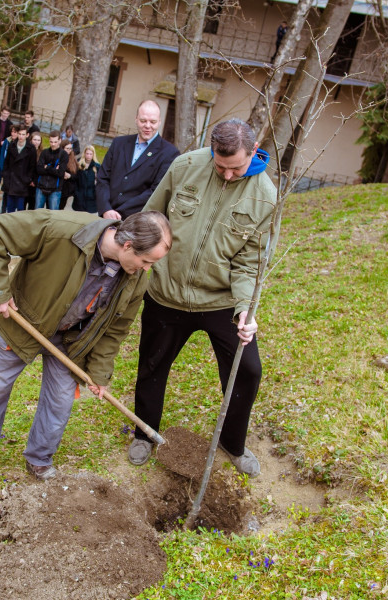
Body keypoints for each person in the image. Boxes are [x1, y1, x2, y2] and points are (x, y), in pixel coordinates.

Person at [0, 209, 173, 486]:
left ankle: (39, 458)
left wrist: (99, 372)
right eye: (146, 261)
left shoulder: (135, 280)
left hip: (70, 341)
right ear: (128, 245)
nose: (146, 269)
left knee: (59, 402)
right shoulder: (61, 230)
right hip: (19, 324)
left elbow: (115, 330)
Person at [128, 118, 276, 477]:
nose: (227, 175)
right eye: (220, 166)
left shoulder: (264, 196)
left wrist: (244, 309)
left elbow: (249, 263)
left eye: (236, 168)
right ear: (211, 152)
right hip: (166, 293)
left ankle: (232, 443)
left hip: (220, 301)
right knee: (152, 365)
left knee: (247, 370)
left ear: (253, 152)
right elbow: (152, 216)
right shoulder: (185, 166)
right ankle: (145, 432)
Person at [95, 100, 179, 220]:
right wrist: (106, 209)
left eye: (153, 122)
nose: (147, 126)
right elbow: (102, 178)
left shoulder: (169, 153)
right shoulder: (118, 143)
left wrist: (119, 213)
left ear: (159, 122)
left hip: (137, 221)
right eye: (143, 121)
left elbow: (156, 191)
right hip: (106, 216)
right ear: (136, 119)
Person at [35, 130, 67, 210]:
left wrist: (47, 167)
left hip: (55, 189)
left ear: (60, 140)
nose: (53, 144)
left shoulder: (63, 155)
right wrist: (53, 169)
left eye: (55, 142)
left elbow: (60, 173)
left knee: (52, 214)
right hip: (41, 187)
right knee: (37, 212)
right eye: (51, 142)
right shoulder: (44, 152)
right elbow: (39, 169)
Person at [0, 122, 18, 213]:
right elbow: (2, 155)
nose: (13, 134)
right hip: (7, 170)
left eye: (15, 132)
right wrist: (2, 168)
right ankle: (3, 208)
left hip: (15, 172)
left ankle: (11, 209)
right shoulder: (7, 141)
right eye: (12, 132)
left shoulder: (19, 143)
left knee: (13, 192)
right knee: (6, 191)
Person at [73, 145, 100, 213]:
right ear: (84, 153)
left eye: (90, 154)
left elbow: (99, 182)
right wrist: (76, 192)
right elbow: (75, 179)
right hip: (79, 196)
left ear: (93, 155)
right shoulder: (79, 164)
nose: (88, 156)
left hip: (91, 197)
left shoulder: (97, 166)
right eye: (87, 153)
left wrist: (95, 193)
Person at [59, 140, 78, 210]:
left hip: (66, 189)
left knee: (61, 208)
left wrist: (70, 176)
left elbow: (76, 176)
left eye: (70, 148)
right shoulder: (58, 156)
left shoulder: (73, 159)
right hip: (56, 186)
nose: (69, 150)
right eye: (67, 148)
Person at [27, 130, 42, 210]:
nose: (36, 142)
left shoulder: (42, 153)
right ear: (31, 140)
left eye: (38, 140)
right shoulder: (26, 151)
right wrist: (29, 180)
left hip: (36, 183)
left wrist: (34, 181)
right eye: (35, 140)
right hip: (26, 181)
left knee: (32, 205)